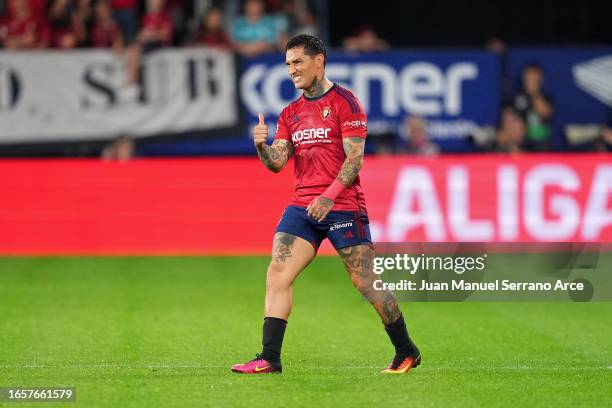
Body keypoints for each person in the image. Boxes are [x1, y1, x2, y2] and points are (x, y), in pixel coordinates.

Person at [231, 34, 421, 375]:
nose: (292, 70)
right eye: (288, 64)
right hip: (303, 206)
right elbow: (277, 162)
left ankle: (406, 349)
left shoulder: (346, 102)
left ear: (319, 61)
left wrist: (329, 195)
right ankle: (269, 358)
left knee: (364, 280)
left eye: (298, 62)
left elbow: (355, 159)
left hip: (343, 204)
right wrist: (261, 147)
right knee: (277, 272)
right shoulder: (291, 113)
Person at [512, 63, 554, 151]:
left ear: (540, 80)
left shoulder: (546, 98)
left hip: (542, 142)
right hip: (521, 141)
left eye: (534, 79)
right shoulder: (517, 98)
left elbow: (545, 113)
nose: (531, 82)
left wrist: (534, 94)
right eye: (528, 79)